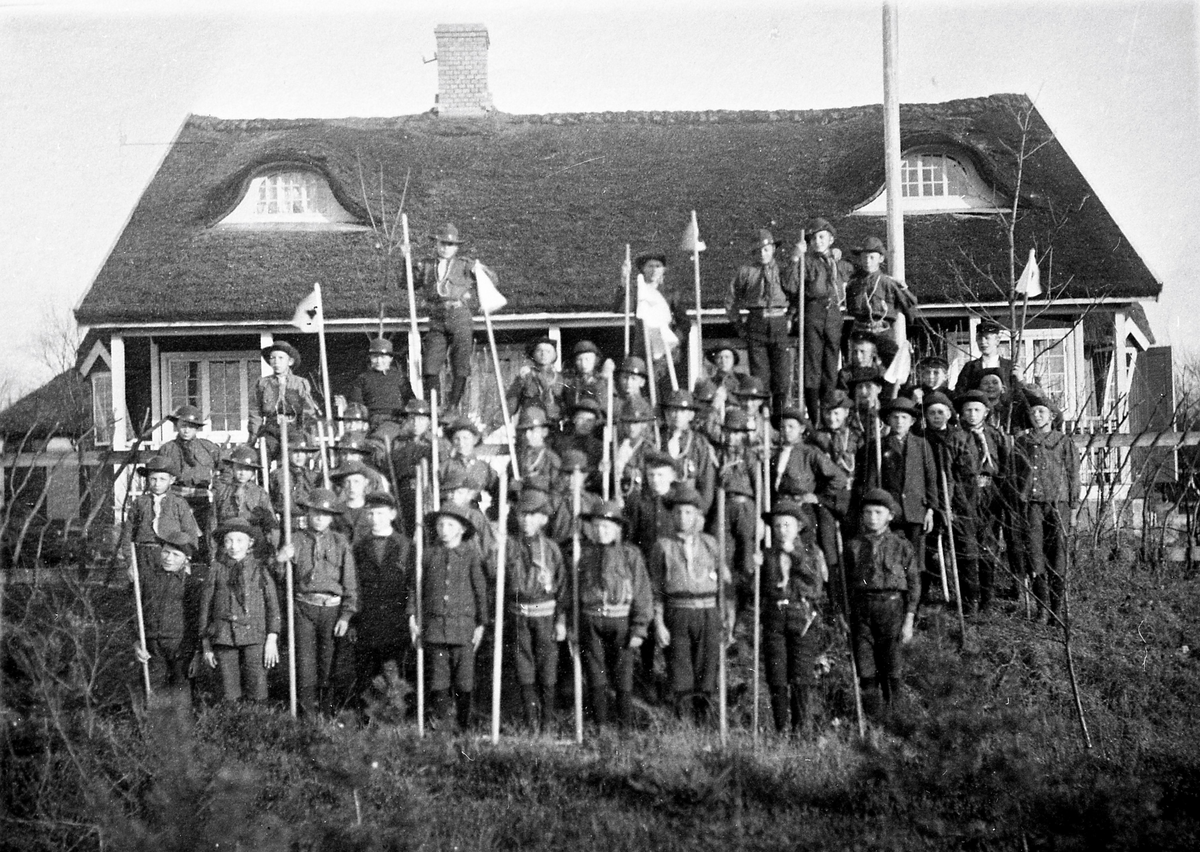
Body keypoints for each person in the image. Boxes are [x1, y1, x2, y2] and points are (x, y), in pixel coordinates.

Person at [649, 484, 734, 723]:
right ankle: (684, 725)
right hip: (677, 613)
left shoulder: (710, 544)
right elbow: (656, 589)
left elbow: (725, 585)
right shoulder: (662, 546)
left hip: (708, 612)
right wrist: (659, 623)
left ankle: (703, 720)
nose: (683, 518)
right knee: (680, 668)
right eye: (677, 512)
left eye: (688, 512)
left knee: (707, 668)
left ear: (698, 515)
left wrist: (728, 615)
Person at [569, 501, 653, 728]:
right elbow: (574, 594)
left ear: (618, 529)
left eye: (606, 527)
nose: (600, 531)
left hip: (621, 620)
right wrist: (573, 627)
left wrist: (639, 627)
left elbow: (642, 593)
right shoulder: (584, 555)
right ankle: (601, 727)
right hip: (591, 619)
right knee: (596, 674)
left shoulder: (630, 555)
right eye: (596, 527)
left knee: (623, 673)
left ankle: (624, 727)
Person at [276, 488, 359, 716]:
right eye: (315, 513)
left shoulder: (340, 542)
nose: (320, 518)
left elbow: (349, 581)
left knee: (328, 663)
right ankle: (307, 716)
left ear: (332, 517)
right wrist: (281, 561)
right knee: (305, 665)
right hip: (304, 608)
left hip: (331, 610)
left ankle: (327, 714)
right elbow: (281, 579)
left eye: (325, 513)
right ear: (308, 513)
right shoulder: (295, 539)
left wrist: (346, 615)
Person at [408, 503, 487, 731]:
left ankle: (463, 724)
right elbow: (415, 588)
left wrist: (481, 624)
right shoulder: (428, 555)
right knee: (439, 679)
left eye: (450, 524)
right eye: (440, 524)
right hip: (435, 627)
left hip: (463, 628)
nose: (444, 529)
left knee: (464, 680)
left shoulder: (470, 556)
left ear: (462, 529)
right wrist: (412, 616)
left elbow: (480, 591)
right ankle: (443, 723)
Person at [843, 489, 920, 715]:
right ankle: (873, 722)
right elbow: (844, 585)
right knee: (865, 669)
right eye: (867, 512)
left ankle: (895, 720)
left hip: (892, 608)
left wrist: (909, 620)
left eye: (878, 512)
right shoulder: (853, 546)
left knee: (892, 667)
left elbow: (914, 584)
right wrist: (842, 615)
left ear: (890, 515)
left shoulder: (901, 546)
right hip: (862, 609)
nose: (872, 517)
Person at [758, 501, 828, 736]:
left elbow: (815, 583)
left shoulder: (811, 553)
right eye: (777, 526)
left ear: (798, 526)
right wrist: (752, 568)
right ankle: (780, 728)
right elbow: (756, 590)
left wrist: (795, 554)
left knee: (801, 675)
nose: (781, 530)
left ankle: (801, 730)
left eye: (787, 525)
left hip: (802, 616)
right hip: (774, 617)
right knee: (777, 675)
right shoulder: (766, 554)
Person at [1011, 389, 1079, 624]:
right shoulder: (1022, 442)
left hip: (1058, 504)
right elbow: (1015, 474)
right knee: (1035, 554)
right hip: (1032, 506)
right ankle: (1042, 609)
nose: (1037, 415)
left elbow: (1073, 475)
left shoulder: (1063, 441)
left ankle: (1057, 609)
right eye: (1033, 412)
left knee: (1058, 555)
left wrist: (1073, 509)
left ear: (1051, 416)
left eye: (1041, 411)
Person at [504, 489, 566, 732]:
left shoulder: (551, 550)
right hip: (519, 615)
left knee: (547, 666)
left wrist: (561, 621)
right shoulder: (509, 547)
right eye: (522, 515)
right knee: (524, 666)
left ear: (543, 519)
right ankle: (531, 722)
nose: (526, 521)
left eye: (532, 516)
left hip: (546, 617)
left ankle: (547, 721)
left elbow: (562, 590)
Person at [199, 518, 281, 703]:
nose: (234, 546)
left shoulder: (260, 569)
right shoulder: (216, 569)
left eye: (239, 540)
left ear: (250, 543)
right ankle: (234, 724)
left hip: (255, 636)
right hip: (224, 636)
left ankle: (258, 724)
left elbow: (272, 605)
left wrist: (271, 638)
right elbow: (206, 607)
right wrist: (206, 645)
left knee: (258, 689)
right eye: (228, 540)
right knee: (228, 692)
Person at [419, 223, 496, 409]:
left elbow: (493, 280)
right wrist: (404, 260)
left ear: (457, 247)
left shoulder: (465, 264)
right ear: (436, 244)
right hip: (437, 316)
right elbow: (406, 283)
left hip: (459, 314)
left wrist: (482, 269)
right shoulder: (426, 265)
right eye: (442, 243)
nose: (446, 248)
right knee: (430, 364)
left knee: (460, 363)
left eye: (450, 244)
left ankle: (453, 406)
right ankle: (433, 408)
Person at [854, 397, 936, 569]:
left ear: (912, 421)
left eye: (904, 418)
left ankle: (916, 595)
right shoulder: (879, 446)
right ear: (888, 420)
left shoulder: (922, 445)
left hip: (916, 509)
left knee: (915, 558)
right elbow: (871, 481)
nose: (899, 422)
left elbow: (930, 479)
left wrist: (930, 509)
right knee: (892, 555)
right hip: (891, 510)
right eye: (895, 417)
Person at [726, 229, 799, 416]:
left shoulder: (783, 270)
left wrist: (790, 316)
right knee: (760, 379)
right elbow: (731, 299)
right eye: (758, 250)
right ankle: (765, 423)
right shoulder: (746, 272)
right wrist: (738, 324)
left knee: (782, 378)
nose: (762, 253)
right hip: (756, 322)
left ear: (773, 249)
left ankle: (780, 422)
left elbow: (796, 293)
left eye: (766, 249)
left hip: (778, 321)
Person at [350, 491, 412, 715]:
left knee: (394, 668)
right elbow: (354, 584)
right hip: (367, 620)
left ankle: (395, 715)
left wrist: (409, 616)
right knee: (367, 671)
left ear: (393, 515)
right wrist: (354, 621)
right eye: (371, 513)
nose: (375, 518)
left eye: (381, 513)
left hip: (396, 620)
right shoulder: (358, 547)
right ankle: (366, 717)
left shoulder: (406, 546)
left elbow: (412, 585)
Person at [922, 391, 981, 611]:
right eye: (932, 413)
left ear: (949, 414)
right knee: (927, 550)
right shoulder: (921, 438)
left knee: (965, 549)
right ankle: (925, 599)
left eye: (941, 412)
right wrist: (934, 504)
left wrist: (956, 505)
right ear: (926, 416)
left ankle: (970, 600)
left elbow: (967, 474)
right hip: (930, 502)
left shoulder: (959, 438)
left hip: (957, 502)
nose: (936, 416)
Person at [957, 389, 1009, 615]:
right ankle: (971, 600)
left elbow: (1006, 466)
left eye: (976, 410)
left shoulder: (996, 436)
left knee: (988, 546)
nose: (972, 414)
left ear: (986, 412)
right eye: (967, 410)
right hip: (966, 494)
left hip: (991, 494)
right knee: (967, 549)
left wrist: (1003, 495)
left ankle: (987, 599)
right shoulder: (957, 436)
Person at [133, 531, 204, 694]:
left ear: (186, 559)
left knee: (180, 692)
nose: (168, 558)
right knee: (152, 690)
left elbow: (197, 621)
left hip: (180, 648)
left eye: (175, 554)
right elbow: (136, 613)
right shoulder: (146, 581)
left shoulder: (192, 585)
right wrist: (136, 643)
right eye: (165, 552)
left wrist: (196, 652)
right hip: (151, 647)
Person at [798, 218, 853, 423]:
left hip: (834, 314)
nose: (817, 242)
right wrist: (798, 257)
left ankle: (830, 414)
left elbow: (857, 274)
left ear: (831, 239)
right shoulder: (807, 262)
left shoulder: (840, 263)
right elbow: (792, 284)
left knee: (831, 364)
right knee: (813, 364)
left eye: (822, 237)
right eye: (813, 239)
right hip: (814, 311)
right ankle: (814, 419)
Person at [158, 405, 221, 562]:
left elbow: (226, 470)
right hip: (176, 498)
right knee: (177, 535)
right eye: (183, 426)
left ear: (197, 428)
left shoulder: (208, 448)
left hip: (201, 499)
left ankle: (201, 569)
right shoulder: (167, 449)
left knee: (203, 535)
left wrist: (218, 487)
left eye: (191, 427)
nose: (186, 430)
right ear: (177, 426)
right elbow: (158, 473)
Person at [120, 456, 200, 575]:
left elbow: (190, 532)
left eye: (162, 479)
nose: (157, 483)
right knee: (145, 589)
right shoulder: (140, 502)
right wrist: (130, 562)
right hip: (144, 554)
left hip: (171, 554)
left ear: (171, 480)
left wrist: (186, 560)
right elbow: (128, 534)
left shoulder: (178, 503)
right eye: (153, 479)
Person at [845, 236, 917, 368]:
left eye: (872, 257)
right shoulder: (853, 284)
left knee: (893, 364)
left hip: (882, 331)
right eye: (864, 257)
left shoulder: (888, 283)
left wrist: (904, 289)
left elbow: (909, 305)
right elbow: (848, 307)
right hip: (861, 331)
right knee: (858, 365)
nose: (867, 261)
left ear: (881, 259)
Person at [248, 341, 320, 457]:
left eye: (281, 358)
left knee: (290, 457)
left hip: (293, 429)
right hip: (271, 429)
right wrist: (252, 438)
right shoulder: (263, 384)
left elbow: (308, 412)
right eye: (273, 358)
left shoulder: (299, 383)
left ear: (290, 361)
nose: (276, 362)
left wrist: (308, 436)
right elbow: (255, 413)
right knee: (263, 455)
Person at [213, 445, 280, 559]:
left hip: (253, 545)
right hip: (228, 544)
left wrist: (273, 547)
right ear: (232, 468)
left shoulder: (260, 493)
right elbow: (213, 522)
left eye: (247, 469)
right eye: (239, 468)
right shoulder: (222, 492)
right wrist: (213, 553)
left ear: (253, 473)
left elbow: (271, 522)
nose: (242, 473)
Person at [345, 336, 412, 443]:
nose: (379, 361)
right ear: (370, 358)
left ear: (391, 358)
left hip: (394, 420)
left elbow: (410, 402)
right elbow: (357, 405)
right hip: (371, 420)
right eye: (375, 357)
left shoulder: (399, 378)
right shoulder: (363, 379)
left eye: (383, 357)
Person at [661, 389, 716, 515]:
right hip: (662, 506)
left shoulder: (698, 442)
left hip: (689, 508)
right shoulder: (658, 439)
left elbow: (707, 482)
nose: (676, 415)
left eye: (682, 411)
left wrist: (701, 512)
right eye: (672, 410)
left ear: (691, 415)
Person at [507, 337, 565, 426]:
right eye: (539, 351)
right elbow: (510, 405)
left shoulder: (561, 379)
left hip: (553, 428)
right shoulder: (525, 377)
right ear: (533, 354)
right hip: (530, 427)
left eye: (548, 351)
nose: (543, 354)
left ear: (554, 355)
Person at [953, 319, 1014, 395]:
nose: (982, 342)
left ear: (997, 340)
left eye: (987, 338)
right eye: (979, 338)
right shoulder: (970, 368)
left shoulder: (1009, 366)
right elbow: (960, 392)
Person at [515, 407, 562, 485]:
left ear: (544, 432)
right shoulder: (519, 456)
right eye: (525, 431)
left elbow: (554, 486)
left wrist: (527, 482)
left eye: (532, 430)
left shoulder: (551, 459)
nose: (527, 435)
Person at [561, 340, 610, 414]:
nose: (583, 364)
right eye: (579, 360)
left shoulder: (604, 381)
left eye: (587, 359)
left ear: (595, 360)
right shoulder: (570, 382)